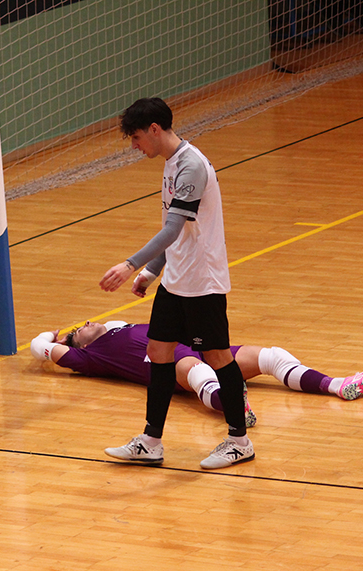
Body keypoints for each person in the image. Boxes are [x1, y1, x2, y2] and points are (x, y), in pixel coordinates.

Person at [98, 97, 250, 469]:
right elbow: (178, 233)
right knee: (158, 352)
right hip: (176, 279)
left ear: (154, 129)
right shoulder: (171, 163)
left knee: (217, 357)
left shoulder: (191, 166)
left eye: (136, 138)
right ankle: (151, 442)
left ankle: (239, 441)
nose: (135, 146)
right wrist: (153, 272)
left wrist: (131, 265)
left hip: (202, 282)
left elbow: (171, 228)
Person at [30, 321, 363, 428]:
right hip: (168, 364)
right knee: (197, 372)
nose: (87, 323)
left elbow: (109, 320)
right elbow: (38, 347)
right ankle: (232, 406)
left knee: (271, 356)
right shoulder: (91, 357)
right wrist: (55, 336)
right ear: (77, 344)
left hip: (199, 346)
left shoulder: (115, 328)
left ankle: (339, 385)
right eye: (79, 329)